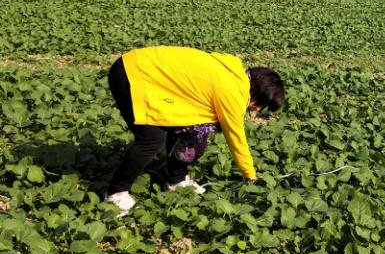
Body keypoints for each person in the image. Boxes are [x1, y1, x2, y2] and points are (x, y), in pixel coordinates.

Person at [105, 46, 285, 215]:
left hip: (140, 70)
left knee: (183, 127)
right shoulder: (233, 91)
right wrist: (250, 175)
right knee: (151, 139)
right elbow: (236, 138)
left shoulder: (234, 75)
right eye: (261, 106)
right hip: (133, 73)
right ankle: (116, 193)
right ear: (258, 94)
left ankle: (177, 180)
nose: (256, 111)